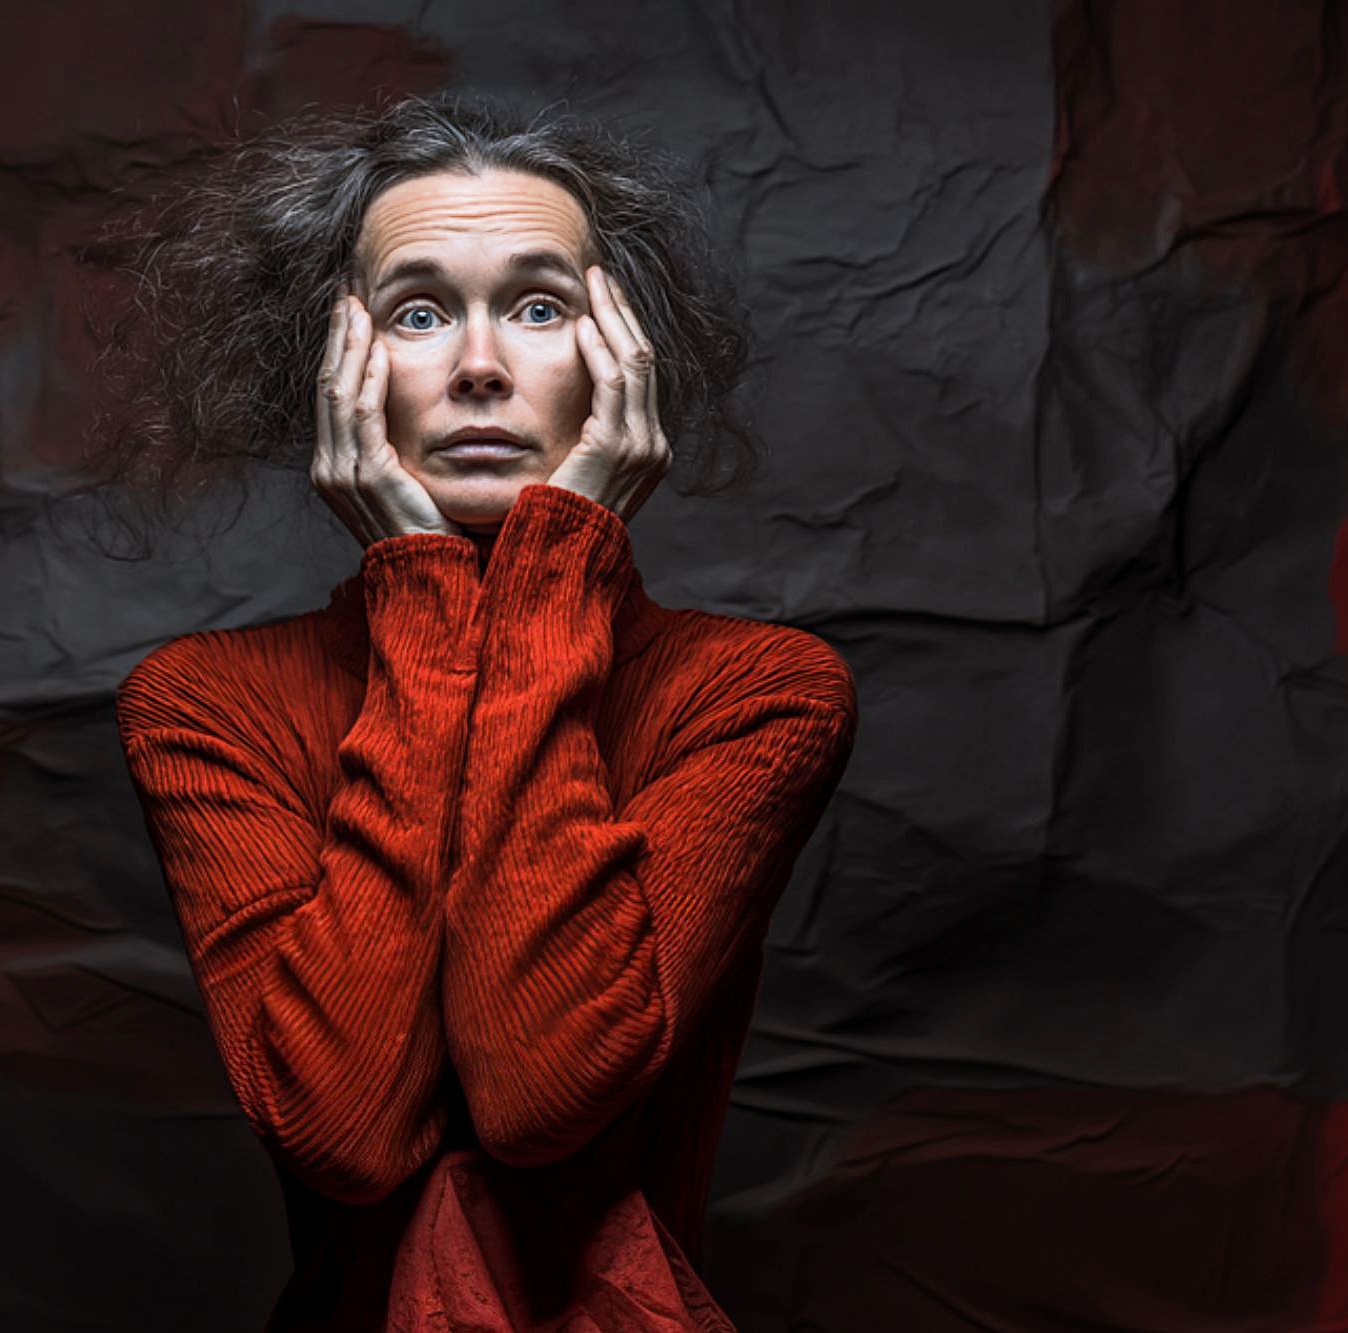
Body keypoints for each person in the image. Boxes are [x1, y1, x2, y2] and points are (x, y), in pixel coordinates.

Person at [100, 93, 857, 1330]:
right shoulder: (205, 708)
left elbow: (537, 1090)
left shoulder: (756, 693)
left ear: (624, 364)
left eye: (541, 305)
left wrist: (551, 575)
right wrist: (425, 601)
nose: (479, 365)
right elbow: (347, 1132)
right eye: (415, 311)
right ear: (336, 374)